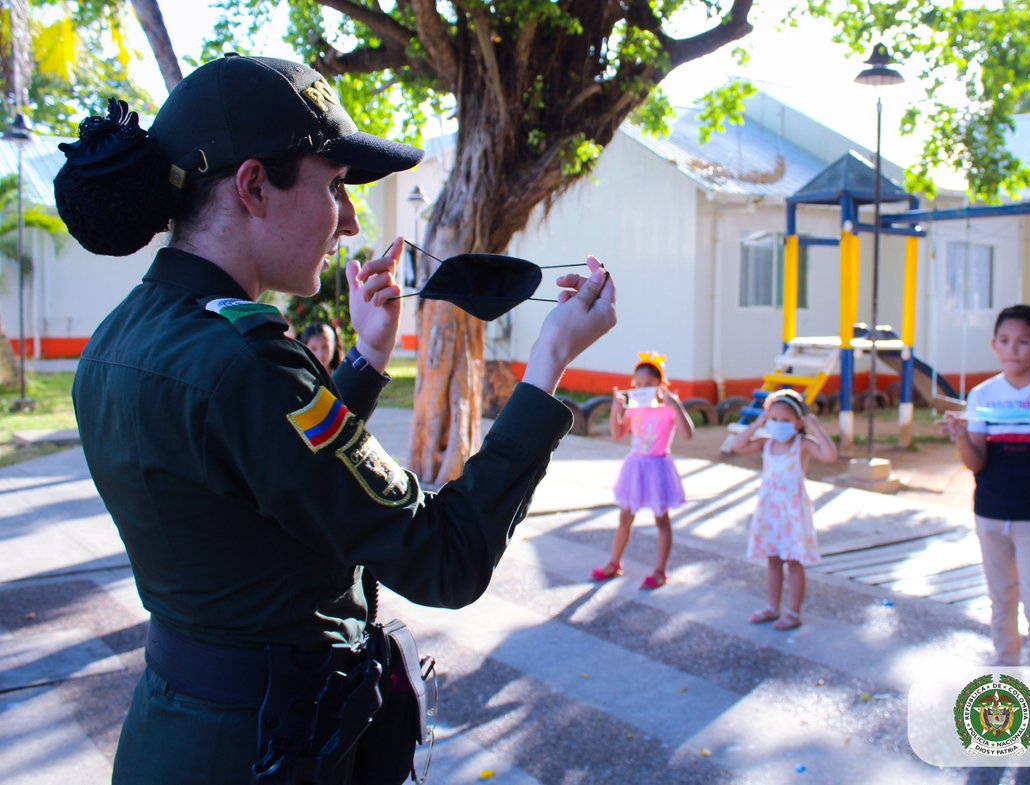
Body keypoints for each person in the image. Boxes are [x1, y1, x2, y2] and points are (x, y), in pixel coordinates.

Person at [55, 54, 616, 784]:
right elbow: (445, 558)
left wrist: (367, 359)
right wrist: (546, 369)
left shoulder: (121, 338)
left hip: (178, 732)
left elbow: (268, 480)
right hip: (268, 750)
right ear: (254, 186)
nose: (350, 222)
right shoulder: (244, 362)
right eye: (334, 187)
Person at [940, 304, 1030, 666]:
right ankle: (1007, 673)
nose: (1012, 349)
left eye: (1022, 341)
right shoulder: (982, 394)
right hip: (990, 512)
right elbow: (977, 462)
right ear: (994, 345)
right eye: (1004, 341)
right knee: (1002, 600)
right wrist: (960, 437)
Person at [728, 389, 836, 631]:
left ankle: (793, 612)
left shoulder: (802, 445)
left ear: (798, 423)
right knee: (773, 560)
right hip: (770, 510)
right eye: (774, 419)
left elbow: (830, 456)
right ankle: (773, 607)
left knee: (793, 561)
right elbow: (737, 445)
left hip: (793, 511)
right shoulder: (766, 443)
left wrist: (816, 427)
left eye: (785, 420)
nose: (778, 424)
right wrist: (757, 423)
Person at [591, 352, 694, 590]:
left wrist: (676, 406)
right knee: (625, 517)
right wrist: (615, 411)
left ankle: (660, 570)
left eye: (648, 384)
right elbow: (618, 435)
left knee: (661, 520)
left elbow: (688, 434)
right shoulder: (634, 408)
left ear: (660, 384)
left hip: (658, 468)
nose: (642, 388)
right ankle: (614, 562)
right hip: (635, 467)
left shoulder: (668, 409)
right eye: (637, 384)